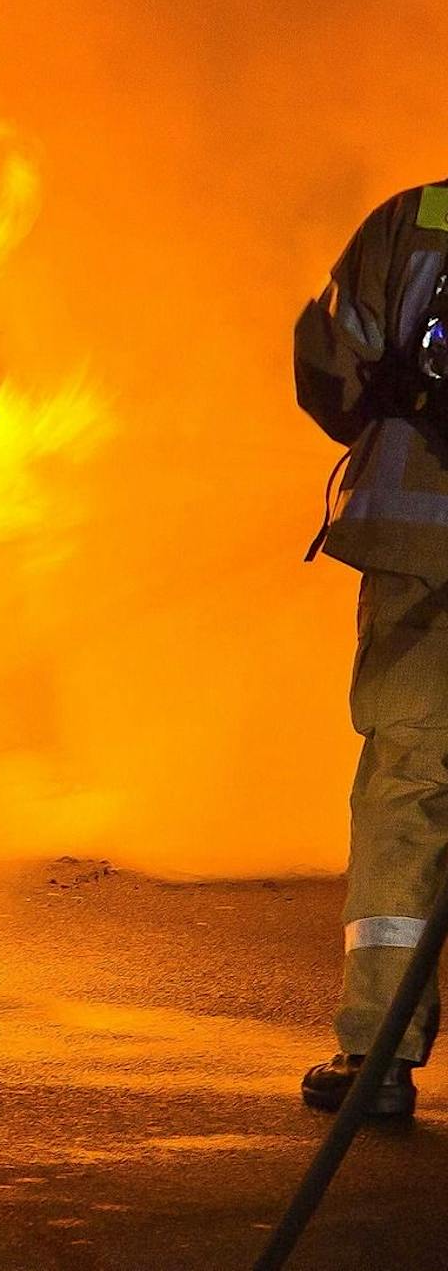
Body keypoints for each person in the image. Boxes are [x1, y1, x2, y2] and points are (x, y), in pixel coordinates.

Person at [294, 179, 448, 1120]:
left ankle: (379, 1056)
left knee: (409, 781)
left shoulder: (416, 220)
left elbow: (327, 369)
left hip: (421, 549)